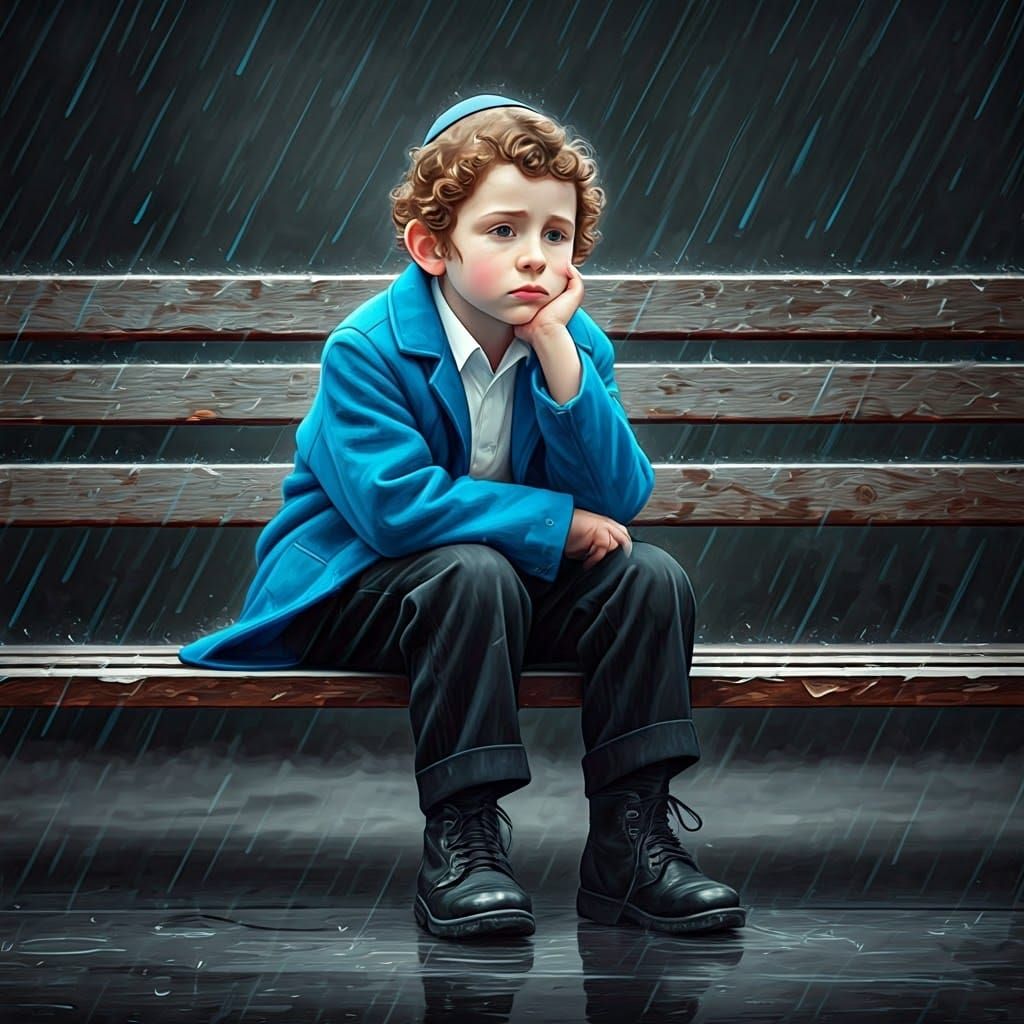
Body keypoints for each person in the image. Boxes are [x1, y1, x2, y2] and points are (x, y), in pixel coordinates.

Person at [178, 93, 747, 940]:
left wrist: (559, 360)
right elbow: (394, 508)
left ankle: (631, 848)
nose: (535, 256)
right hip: (360, 591)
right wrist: (554, 523)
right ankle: (464, 841)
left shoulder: (574, 344)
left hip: (498, 598)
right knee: (470, 572)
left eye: (556, 235)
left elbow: (620, 496)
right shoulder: (368, 348)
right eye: (503, 230)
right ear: (431, 247)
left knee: (647, 579)